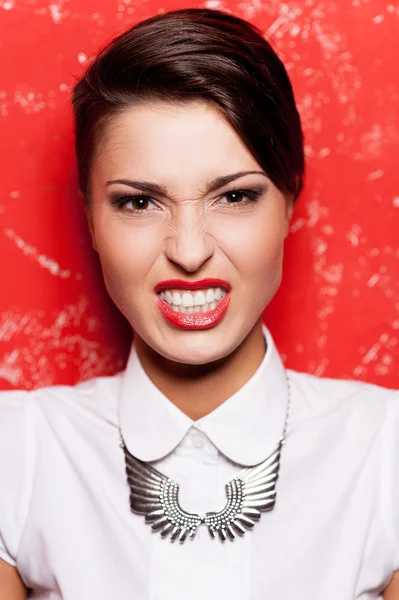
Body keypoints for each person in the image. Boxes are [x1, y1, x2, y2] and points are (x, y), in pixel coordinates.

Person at [0, 7, 398, 599]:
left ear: (290, 199)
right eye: (139, 203)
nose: (189, 252)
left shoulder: (383, 449)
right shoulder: (19, 449)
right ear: (90, 216)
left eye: (234, 196)